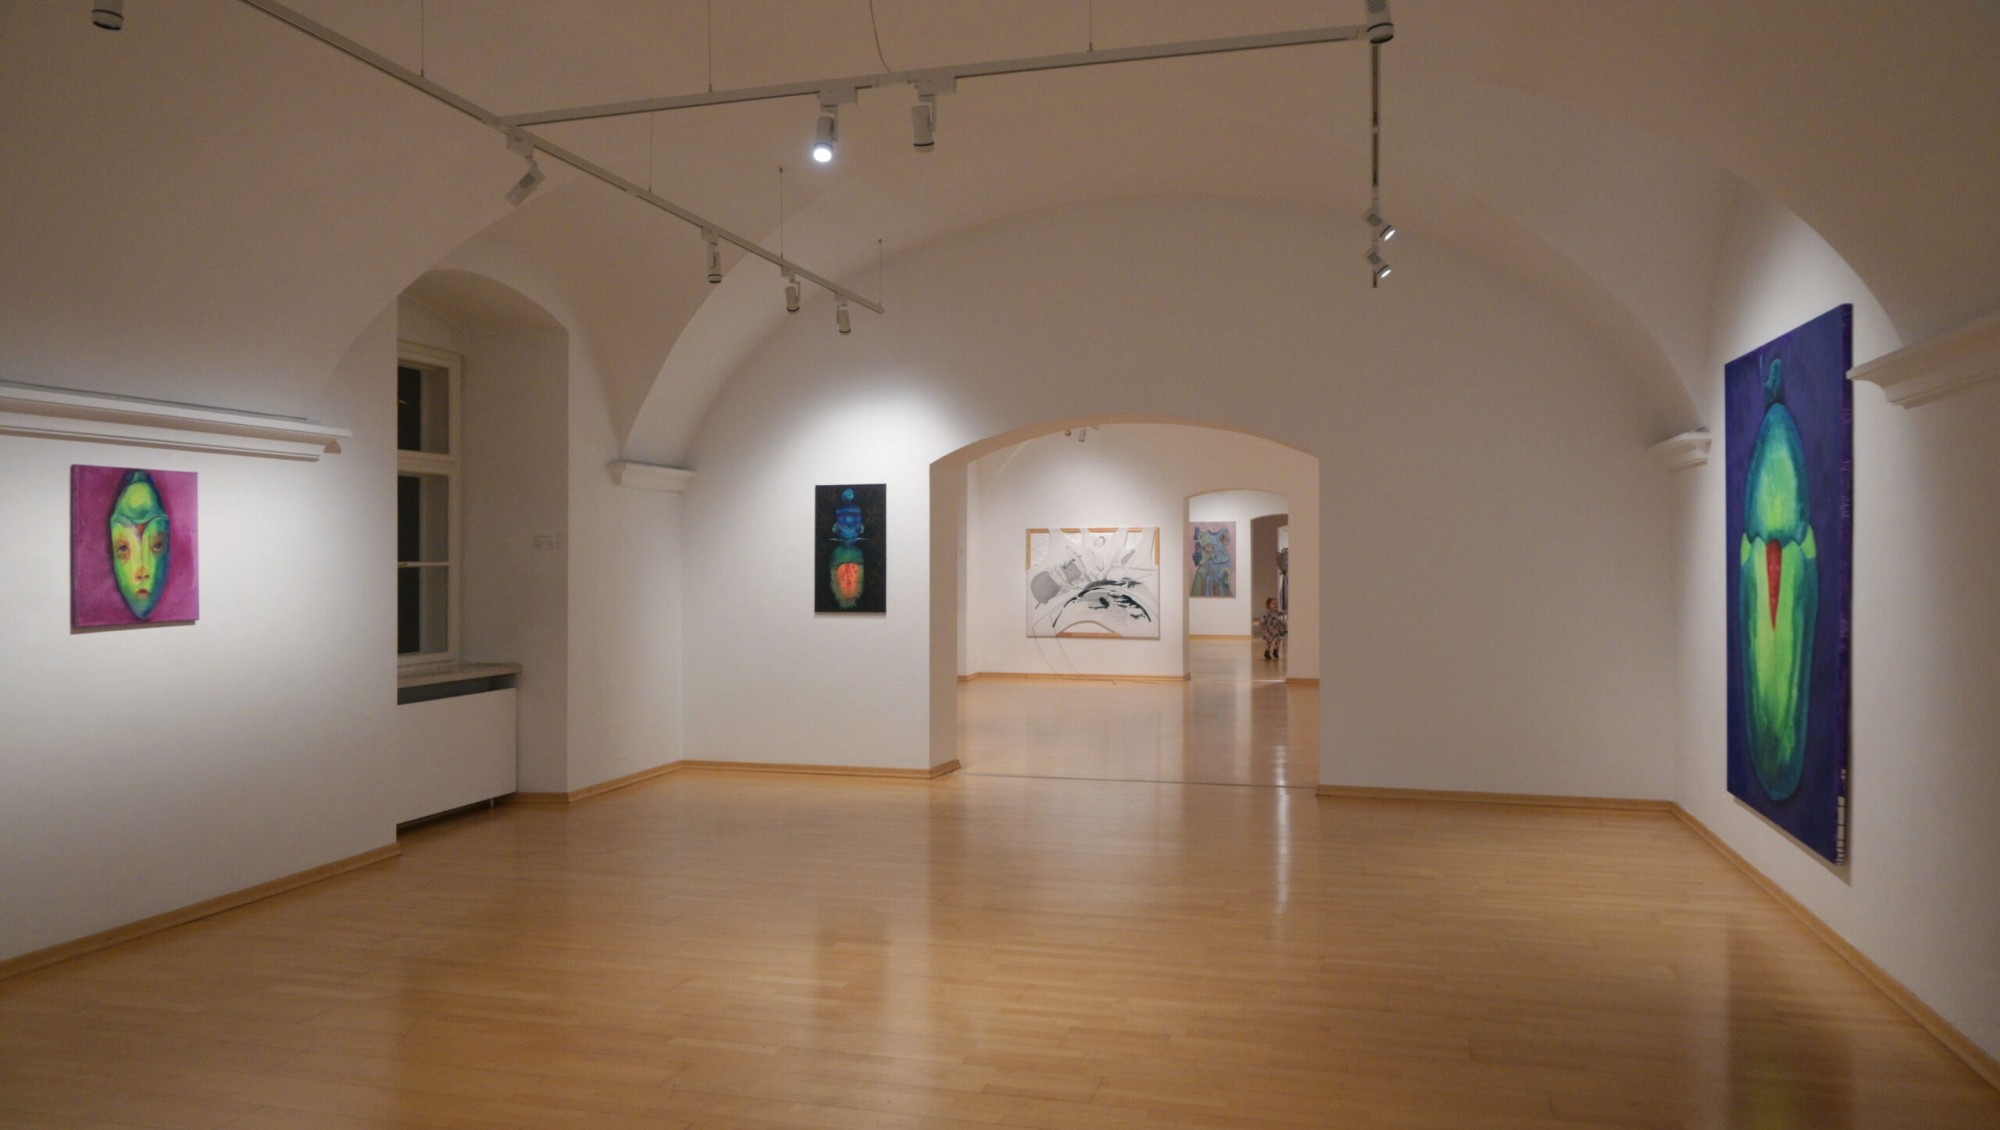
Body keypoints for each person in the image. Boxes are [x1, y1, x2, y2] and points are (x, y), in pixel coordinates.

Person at [1257, 597, 1287, 661]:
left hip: (1277, 629)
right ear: (1269, 605)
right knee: (1269, 641)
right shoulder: (1267, 613)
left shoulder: (1276, 611)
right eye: (1273, 603)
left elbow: (1282, 612)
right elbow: (1262, 621)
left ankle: (1276, 650)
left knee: (1279, 639)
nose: (1275, 605)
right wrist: (1263, 626)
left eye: (1276, 603)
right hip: (1269, 630)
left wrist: (1287, 611)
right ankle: (1267, 652)